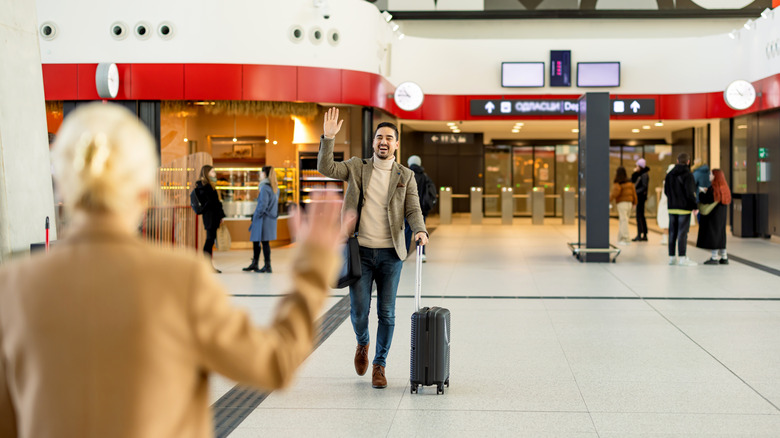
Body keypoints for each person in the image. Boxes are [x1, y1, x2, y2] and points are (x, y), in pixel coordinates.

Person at [0, 102, 350, 438]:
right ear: (144, 191)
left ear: (62, 186)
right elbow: (275, 363)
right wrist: (313, 269)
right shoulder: (181, 278)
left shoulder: (12, 287)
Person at [318, 107, 428, 389]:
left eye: (389, 138)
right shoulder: (357, 167)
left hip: (392, 254)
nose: (383, 142)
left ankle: (380, 365)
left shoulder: (406, 175)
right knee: (358, 311)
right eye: (380, 137)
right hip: (360, 253)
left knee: (387, 313)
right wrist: (328, 138)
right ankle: (362, 343)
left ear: (396, 144)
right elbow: (326, 168)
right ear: (374, 142)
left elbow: (413, 208)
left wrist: (420, 230)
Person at [243, 166, 279, 273]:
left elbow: (262, 205)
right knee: (262, 242)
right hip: (270, 219)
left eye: (261, 173)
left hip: (262, 219)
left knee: (260, 241)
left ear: (265, 174)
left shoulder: (264, 188)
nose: (260, 175)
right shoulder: (275, 188)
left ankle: (263, 265)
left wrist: (255, 215)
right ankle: (261, 264)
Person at [665, 152, 699, 266]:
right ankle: (682, 258)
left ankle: (671, 257)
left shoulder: (669, 174)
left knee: (672, 232)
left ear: (677, 161)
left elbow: (666, 191)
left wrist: (672, 200)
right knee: (682, 233)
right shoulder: (688, 175)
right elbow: (690, 193)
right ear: (688, 162)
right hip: (684, 209)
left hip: (672, 208)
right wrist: (694, 206)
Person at [194, 164, 226, 273]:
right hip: (210, 217)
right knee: (209, 241)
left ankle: (207, 266)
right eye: (212, 172)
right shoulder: (206, 186)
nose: (215, 174)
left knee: (210, 240)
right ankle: (206, 266)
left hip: (212, 217)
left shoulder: (207, 185)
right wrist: (219, 213)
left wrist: (220, 215)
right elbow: (212, 203)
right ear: (207, 173)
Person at [404, 155, 436, 262]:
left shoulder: (406, 175)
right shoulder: (425, 177)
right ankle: (421, 254)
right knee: (421, 231)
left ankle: (404, 252)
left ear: (409, 163)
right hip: (421, 210)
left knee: (407, 231)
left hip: (408, 211)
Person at [696, 169, 731, 265]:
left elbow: (705, 199)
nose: (709, 175)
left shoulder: (714, 188)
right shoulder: (725, 188)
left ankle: (714, 257)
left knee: (713, 235)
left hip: (713, 217)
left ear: (716, 176)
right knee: (721, 235)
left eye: (711, 174)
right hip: (721, 217)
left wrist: (702, 192)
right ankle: (724, 257)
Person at [610, 166, 637, 245]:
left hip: (622, 203)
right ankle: (620, 238)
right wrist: (635, 203)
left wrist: (609, 200)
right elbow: (634, 193)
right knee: (624, 220)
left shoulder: (618, 182)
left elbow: (615, 193)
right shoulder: (629, 182)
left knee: (623, 221)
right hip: (629, 203)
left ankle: (626, 239)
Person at [631, 158, 650, 241]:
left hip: (640, 198)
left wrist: (636, 192)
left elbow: (644, 187)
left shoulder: (644, 175)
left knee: (639, 216)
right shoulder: (640, 174)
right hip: (640, 197)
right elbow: (632, 179)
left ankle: (640, 234)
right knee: (641, 216)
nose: (636, 167)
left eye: (637, 166)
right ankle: (643, 234)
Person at [656, 163, 676, 245]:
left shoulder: (667, 180)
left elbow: (665, 195)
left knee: (666, 222)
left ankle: (666, 238)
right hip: (671, 204)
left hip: (667, 205)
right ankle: (668, 238)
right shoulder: (674, 180)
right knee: (669, 222)